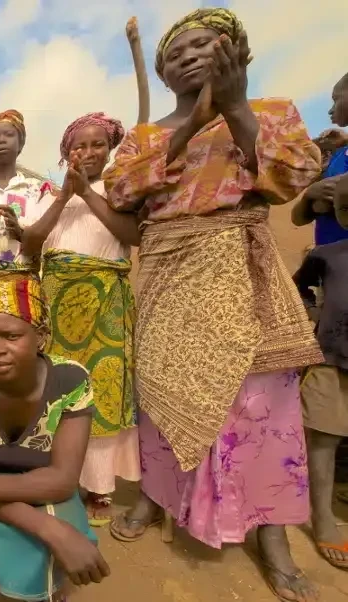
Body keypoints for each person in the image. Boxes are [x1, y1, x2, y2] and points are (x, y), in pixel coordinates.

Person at [104, 9, 323, 602]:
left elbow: (293, 177)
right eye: (175, 54)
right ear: (162, 73)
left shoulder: (271, 113)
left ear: (234, 52)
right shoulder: (144, 138)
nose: (188, 57)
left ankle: (272, 535)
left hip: (241, 272)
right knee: (163, 389)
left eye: (203, 46)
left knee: (257, 404)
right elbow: (121, 190)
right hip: (169, 274)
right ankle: (157, 497)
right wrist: (191, 126)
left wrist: (235, 108)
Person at [0, 277, 110, 601]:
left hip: (42, 485)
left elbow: (62, 480)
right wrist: (48, 528)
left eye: (11, 336)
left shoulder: (70, 380)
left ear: (40, 337)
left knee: (50, 547)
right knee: (12, 535)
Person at [32, 113, 142, 527]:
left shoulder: (120, 188)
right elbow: (33, 241)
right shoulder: (49, 193)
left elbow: (134, 236)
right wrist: (65, 196)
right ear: (67, 153)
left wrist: (87, 195)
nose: (89, 152)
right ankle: (61, 478)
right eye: (80, 145)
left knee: (103, 389)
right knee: (60, 390)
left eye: (98, 144)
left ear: (110, 150)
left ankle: (99, 486)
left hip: (105, 304)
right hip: (57, 304)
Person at [293, 240, 348, 570]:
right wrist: (314, 315)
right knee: (324, 438)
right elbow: (298, 290)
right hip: (332, 359)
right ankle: (323, 517)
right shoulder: (327, 255)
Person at [0, 110, 49, 288]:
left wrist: (20, 232)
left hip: (24, 286)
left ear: (21, 143)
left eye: (9, 135)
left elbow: (47, 242)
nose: (1, 140)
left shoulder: (37, 190)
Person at [291, 73, 348, 240]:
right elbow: (298, 218)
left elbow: (326, 204)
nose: (331, 109)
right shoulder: (339, 155)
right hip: (328, 254)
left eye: (336, 99)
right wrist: (309, 195)